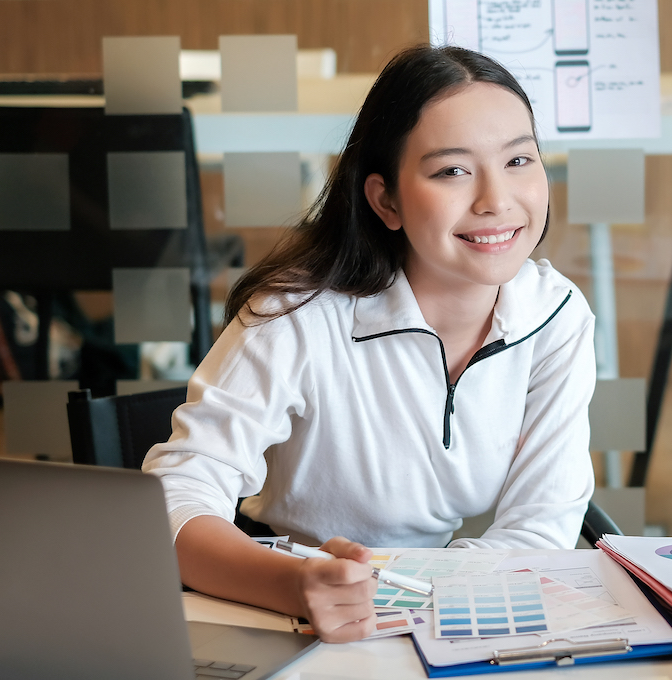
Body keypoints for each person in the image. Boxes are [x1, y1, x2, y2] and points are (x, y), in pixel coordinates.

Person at [141, 45, 596, 643]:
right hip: (279, 613)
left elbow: (539, 530)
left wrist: (408, 595)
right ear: (386, 200)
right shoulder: (296, 312)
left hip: (436, 616)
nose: (496, 200)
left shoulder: (555, 316)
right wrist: (292, 585)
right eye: (452, 170)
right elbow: (175, 498)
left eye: (519, 160)